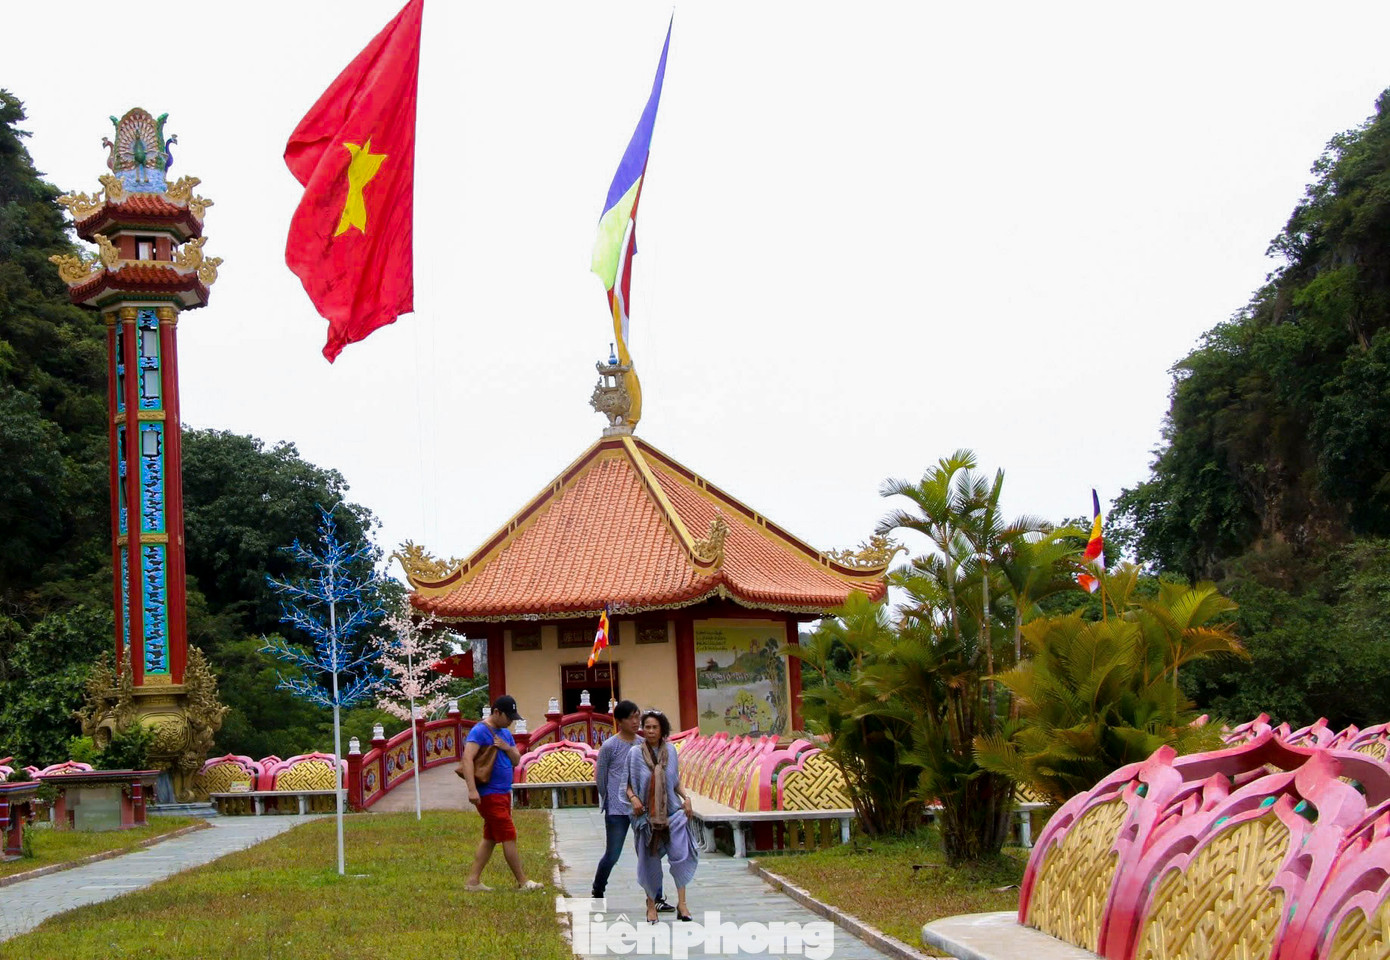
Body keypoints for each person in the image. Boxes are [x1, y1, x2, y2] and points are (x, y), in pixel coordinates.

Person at [591, 700, 675, 912]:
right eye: (631, 718)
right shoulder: (610, 746)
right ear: (619, 721)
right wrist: (609, 800)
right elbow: (601, 777)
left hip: (643, 809)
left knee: (651, 853)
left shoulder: (643, 744)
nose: (637, 722)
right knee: (613, 853)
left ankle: (656, 897)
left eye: (638, 717)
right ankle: (598, 889)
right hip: (618, 810)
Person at [462, 695, 543, 892]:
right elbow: (467, 759)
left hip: (503, 792)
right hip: (489, 794)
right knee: (509, 834)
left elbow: (516, 760)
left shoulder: (505, 734)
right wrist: (472, 790)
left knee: (490, 837)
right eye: (508, 717)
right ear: (496, 712)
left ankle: (473, 881)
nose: (510, 722)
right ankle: (523, 881)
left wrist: (507, 748)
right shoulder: (480, 731)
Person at [626, 708, 698, 923]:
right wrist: (634, 799)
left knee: (680, 855)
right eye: (646, 727)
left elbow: (674, 781)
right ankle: (651, 905)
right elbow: (627, 784)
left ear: (662, 729)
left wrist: (686, 798)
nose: (650, 731)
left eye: (654, 727)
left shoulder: (672, 752)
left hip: (672, 813)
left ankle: (682, 904)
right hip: (645, 816)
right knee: (649, 861)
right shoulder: (635, 754)